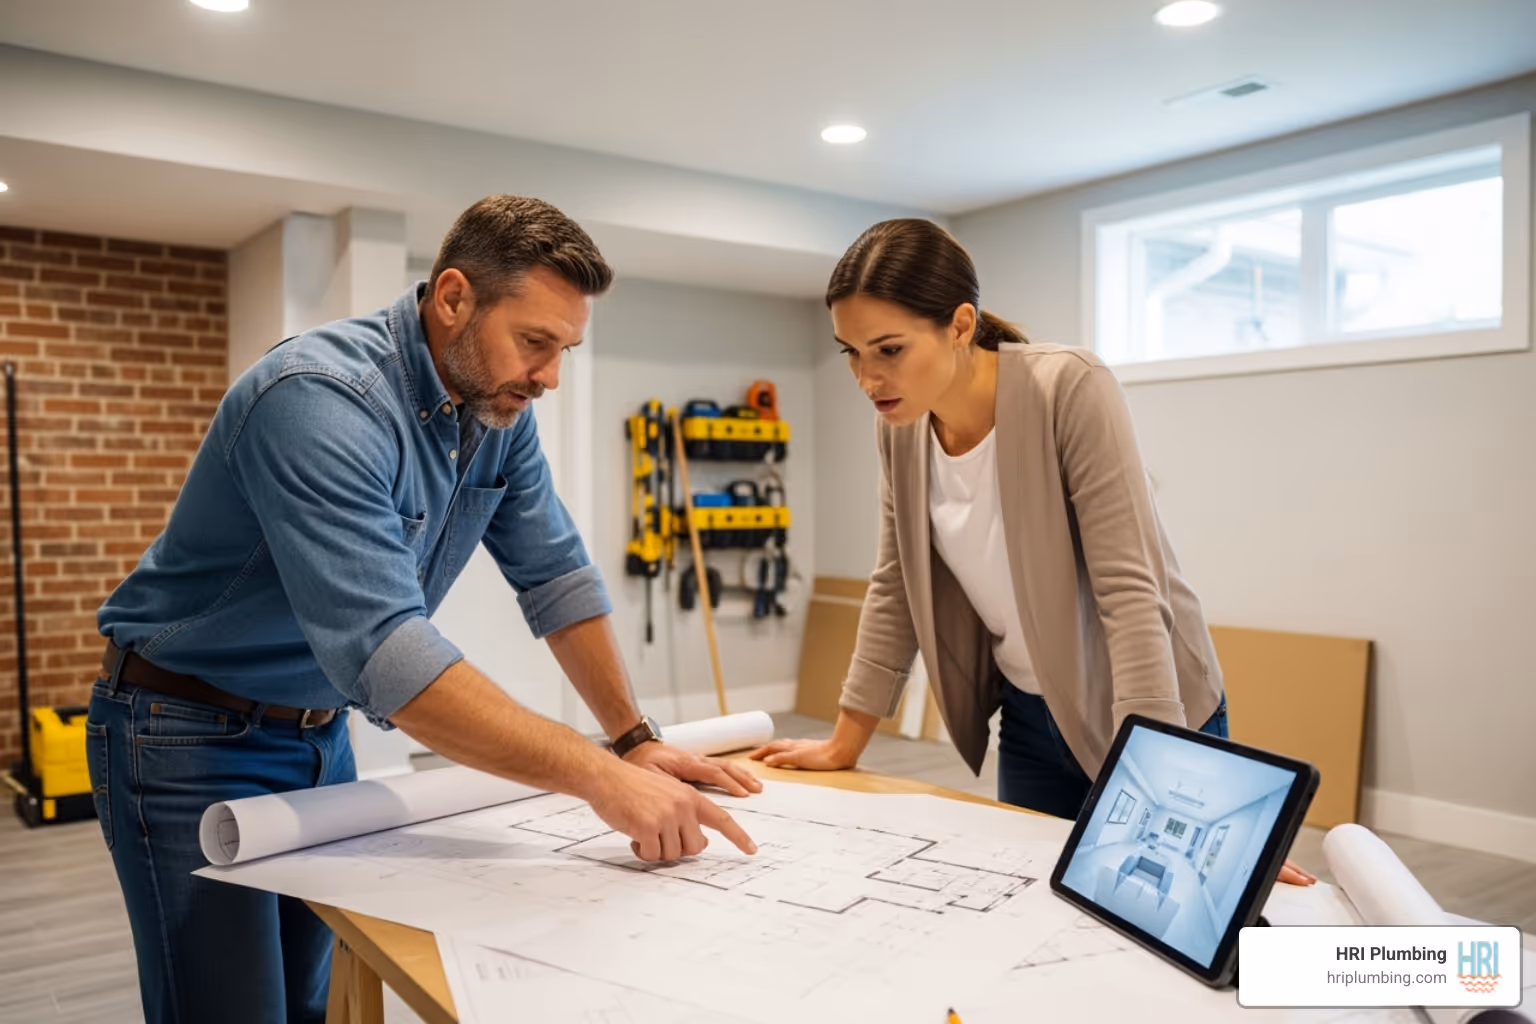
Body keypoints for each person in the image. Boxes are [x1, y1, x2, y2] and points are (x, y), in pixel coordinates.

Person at [89, 195, 761, 1024]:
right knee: (228, 1008)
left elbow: (554, 574)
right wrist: (600, 777)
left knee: (312, 998)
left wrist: (634, 740)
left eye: (565, 350)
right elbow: (387, 653)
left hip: (316, 733)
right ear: (453, 299)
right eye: (535, 342)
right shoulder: (319, 399)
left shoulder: (496, 412)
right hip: (182, 729)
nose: (550, 376)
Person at [749, 219, 1314, 886]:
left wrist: (1164, 777)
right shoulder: (901, 432)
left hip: (1143, 710)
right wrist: (846, 740)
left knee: (1175, 905)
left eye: (889, 349)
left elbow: (1130, 594)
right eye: (850, 352)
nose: (868, 379)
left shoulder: (1066, 388)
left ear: (961, 324)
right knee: (1039, 902)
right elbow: (897, 584)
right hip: (1028, 714)